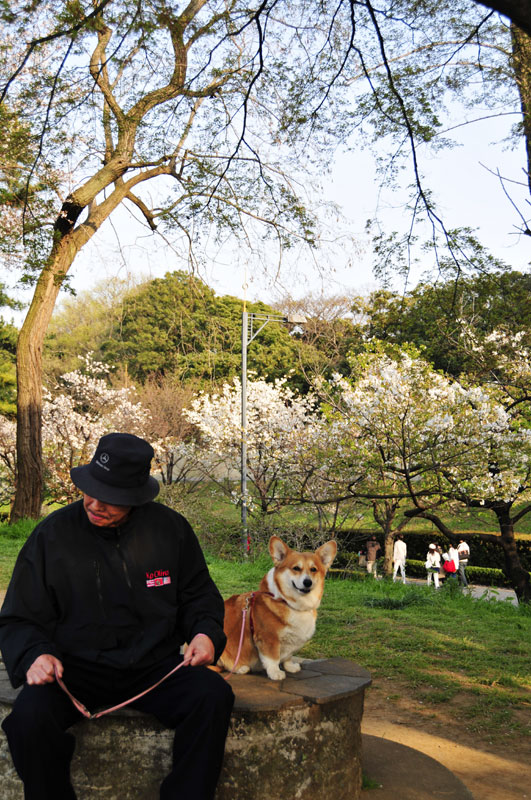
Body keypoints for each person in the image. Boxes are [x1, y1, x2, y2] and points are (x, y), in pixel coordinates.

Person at [0, 432, 234, 800]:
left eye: (109, 499)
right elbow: (19, 616)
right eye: (89, 491)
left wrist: (205, 633)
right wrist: (34, 654)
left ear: (137, 497)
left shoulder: (171, 530)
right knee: (27, 721)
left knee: (212, 696)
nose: (94, 503)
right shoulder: (52, 535)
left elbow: (198, 595)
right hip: (72, 670)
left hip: (154, 668)